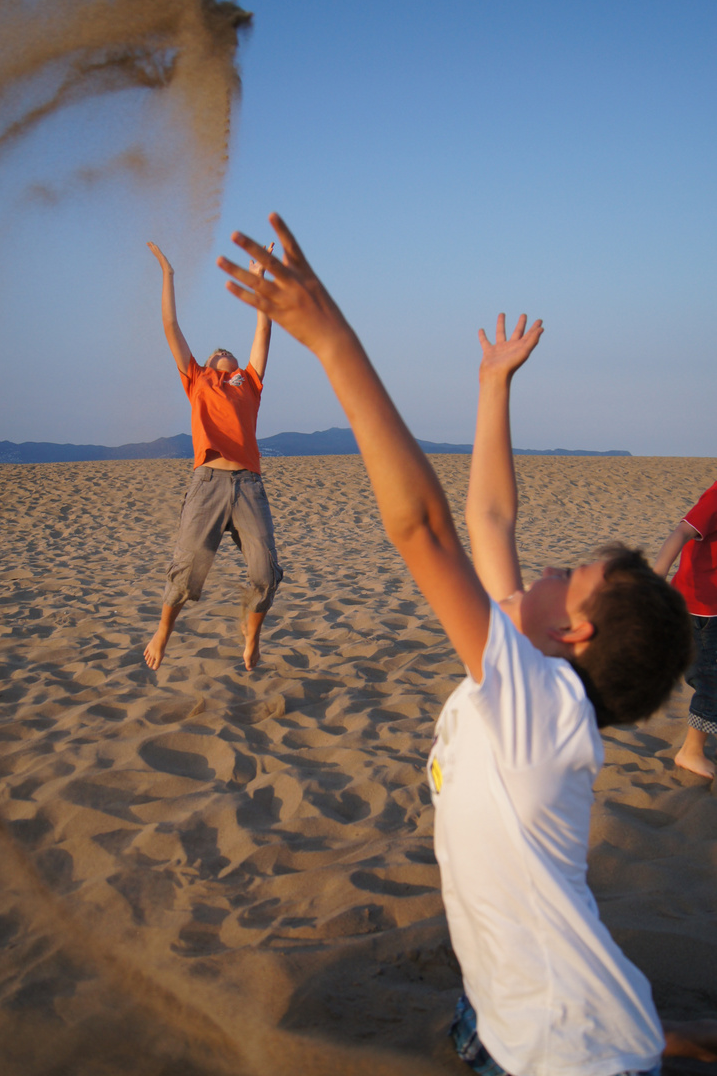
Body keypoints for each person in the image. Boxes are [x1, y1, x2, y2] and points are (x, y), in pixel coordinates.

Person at [217, 216, 706, 1075]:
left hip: (568, 1060)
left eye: (571, 571)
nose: (549, 564)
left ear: (573, 632)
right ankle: (629, 1015)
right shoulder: (543, 688)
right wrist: (493, 386)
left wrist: (333, 342)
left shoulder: (541, 707)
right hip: (524, 1015)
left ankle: (624, 1026)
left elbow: (425, 528)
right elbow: (488, 517)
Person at [143, 241, 283, 672]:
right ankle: (164, 630)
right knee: (186, 572)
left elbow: (263, 330)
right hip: (207, 484)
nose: (224, 354)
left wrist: (261, 282)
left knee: (265, 573)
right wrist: (168, 274)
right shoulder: (197, 379)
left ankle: (251, 636)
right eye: (216, 353)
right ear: (207, 364)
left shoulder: (249, 384)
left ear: (239, 367)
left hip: (247, 485)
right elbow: (170, 324)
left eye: (231, 355)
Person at [653, 481, 717, 780]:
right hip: (701, 607)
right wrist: (655, 578)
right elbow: (681, 532)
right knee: (711, 679)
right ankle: (691, 751)